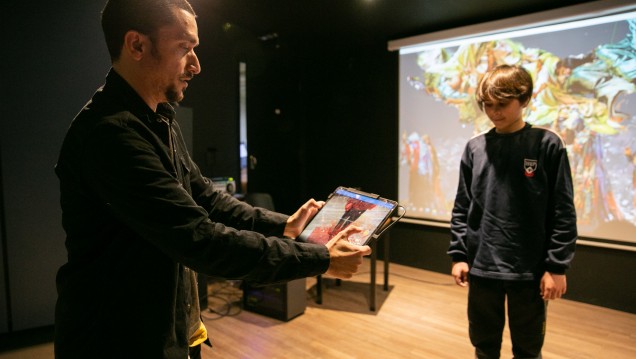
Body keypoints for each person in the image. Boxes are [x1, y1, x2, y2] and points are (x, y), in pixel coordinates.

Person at [53, 0, 371, 358]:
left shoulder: (158, 119)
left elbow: (207, 199)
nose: (196, 65)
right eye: (185, 48)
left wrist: (285, 226)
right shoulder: (111, 135)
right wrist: (320, 259)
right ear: (137, 45)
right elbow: (200, 240)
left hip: (165, 331)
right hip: (118, 341)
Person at [447, 64, 578, 359]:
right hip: (482, 268)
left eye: (502, 104)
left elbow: (563, 210)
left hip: (529, 271)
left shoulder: (547, 144)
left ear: (525, 99)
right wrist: (459, 255)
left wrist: (556, 267)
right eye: (487, 105)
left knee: (528, 350)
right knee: (484, 347)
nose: (494, 112)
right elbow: (462, 207)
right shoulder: (474, 148)